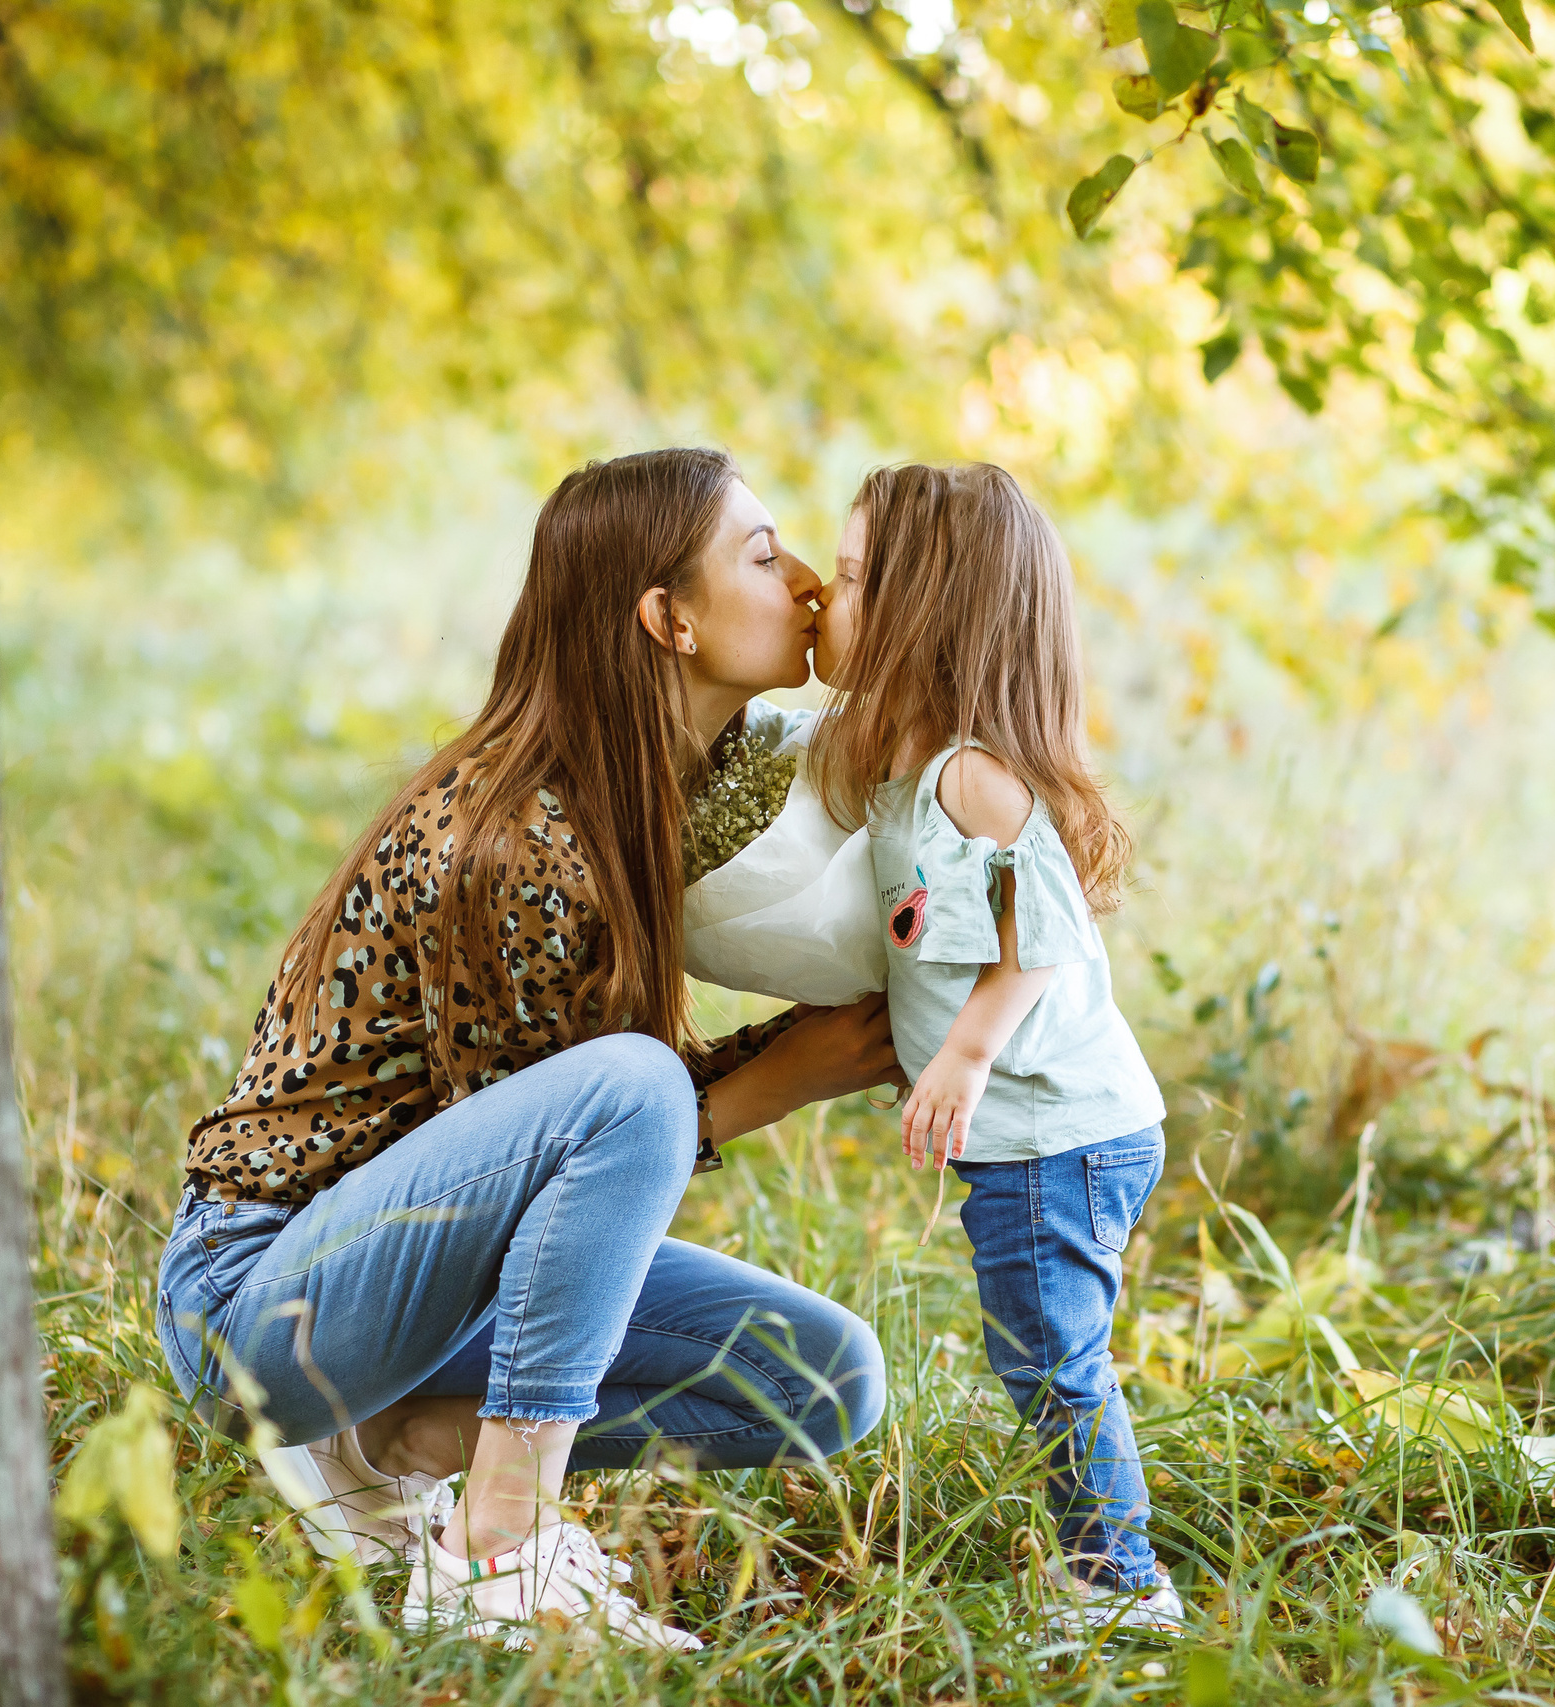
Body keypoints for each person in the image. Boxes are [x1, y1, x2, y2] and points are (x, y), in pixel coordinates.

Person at [155, 448, 902, 1653]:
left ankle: (389, 1448)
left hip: (414, 1291)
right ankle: (501, 1548)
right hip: (263, 1304)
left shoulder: (678, 788)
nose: (810, 582)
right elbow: (579, 1135)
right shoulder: (513, 838)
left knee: (827, 1377)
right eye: (764, 556)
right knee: (638, 1085)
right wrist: (769, 1085)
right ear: (666, 618)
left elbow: (569, 1132)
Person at [805, 462, 1181, 1635]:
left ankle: (1121, 1591)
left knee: (1052, 1365)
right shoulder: (914, 772)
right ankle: (1103, 1568)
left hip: (1047, 1130)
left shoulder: (969, 777)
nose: (825, 591)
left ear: (927, 612)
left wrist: (961, 1055)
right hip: (1046, 1135)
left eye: (856, 577)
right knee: (1048, 1356)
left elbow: (1043, 939)